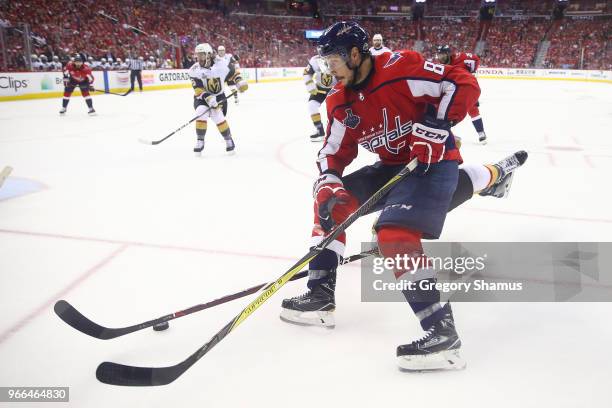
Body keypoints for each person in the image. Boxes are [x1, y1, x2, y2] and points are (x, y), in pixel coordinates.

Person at [279, 21, 527, 371]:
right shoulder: (338, 99)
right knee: (330, 204)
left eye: (333, 60)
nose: (329, 70)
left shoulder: (401, 68)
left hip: (433, 164)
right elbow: (332, 152)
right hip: (392, 167)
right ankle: (320, 296)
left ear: (354, 54)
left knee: (394, 235)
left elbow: (461, 82)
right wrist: (330, 179)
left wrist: (439, 124)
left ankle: (443, 335)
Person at [188, 43, 248, 156]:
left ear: (209, 55)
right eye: (197, 55)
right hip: (202, 97)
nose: (198, 58)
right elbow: (198, 89)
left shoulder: (222, 64)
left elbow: (233, 73)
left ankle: (228, 140)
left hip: (219, 96)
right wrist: (209, 99)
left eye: (201, 55)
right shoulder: (194, 70)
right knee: (200, 112)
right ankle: (200, 140)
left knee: (218, 116)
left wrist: (239, 82)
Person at [437, 45, 487, 144]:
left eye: (443, 55)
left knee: (473, 109)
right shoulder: (441, 66)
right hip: (451, 89)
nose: (440, 58)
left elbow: (475, 59)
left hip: (465, 87)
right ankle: (444, 131)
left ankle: (481, 132)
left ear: (449, 54)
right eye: (439, 55)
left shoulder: (460, 58)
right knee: (444, 111)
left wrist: (471, 72)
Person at [303, 54, 336, 141]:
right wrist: (310, 85)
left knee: (336, 110)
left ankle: (339, 132)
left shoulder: (338, 57)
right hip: (319, 88)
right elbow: (306, 73)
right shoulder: (315, 59)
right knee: (312, 106)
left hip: (335, 88)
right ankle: (320, 130)